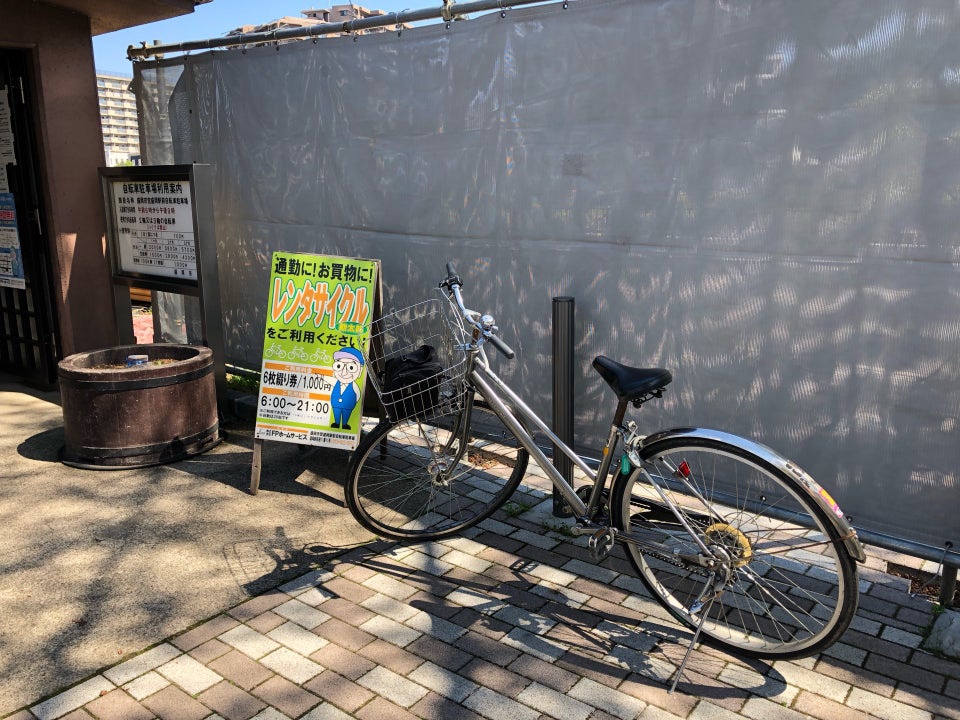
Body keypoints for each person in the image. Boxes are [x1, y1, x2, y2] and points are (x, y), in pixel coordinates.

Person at [330, 347, 364, 430]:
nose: (344, 372)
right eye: (339, 366)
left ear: (360, 371)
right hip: (336, 404)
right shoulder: (335, 382)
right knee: (336, 412)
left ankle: (345, 424)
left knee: (347, 413)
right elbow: (328, 380)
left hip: (348, 405)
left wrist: (354, 401)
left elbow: (358, 394)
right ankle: (336, 423)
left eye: (351, 367)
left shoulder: (354, 385)